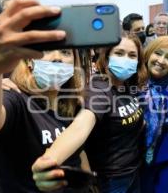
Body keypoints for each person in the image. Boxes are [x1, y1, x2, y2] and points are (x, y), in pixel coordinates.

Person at [0, 0, 88, 193]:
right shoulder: (16, 99)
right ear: (29, 61)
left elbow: (79, 153)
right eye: (47, 50)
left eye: (65, 51)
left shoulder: (73, 103)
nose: (57, 57)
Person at [32, 33, 148, 193]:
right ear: (107, 58)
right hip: (110, 179)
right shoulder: (98, 89)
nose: (125, 59)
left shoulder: (127, 87)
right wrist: (50, 161)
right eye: (119, 53)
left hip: (133, 172)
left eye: (132, 55)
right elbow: (81, 125)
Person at [140, 36, 168, 193]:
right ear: (148, 54)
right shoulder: (133, 81)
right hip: (139, 157)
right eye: (158, 53)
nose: (161, 60)